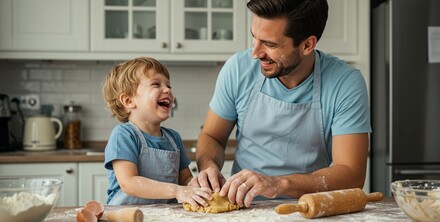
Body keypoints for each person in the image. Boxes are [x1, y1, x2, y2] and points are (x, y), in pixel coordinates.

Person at [189, 0, 371, 208]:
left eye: (270, 44)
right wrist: (209, 166)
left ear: (307, 45)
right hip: (244, 209)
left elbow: (351, 172)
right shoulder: (238, 69)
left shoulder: (345, 83)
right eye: (254, 38)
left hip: (308, 209)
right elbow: (212, 136)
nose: (255, 53)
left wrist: (278, 184)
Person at [102, 57, 212, 206]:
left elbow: (185, 180)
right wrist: (176, 191)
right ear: (128, 101)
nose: (167, 89)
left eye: (168, 85)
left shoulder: (173, 138)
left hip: (166, 218)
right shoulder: (124, 135)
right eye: (156, 84)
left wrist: (198, 187)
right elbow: (129, 183)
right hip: (126, 218)